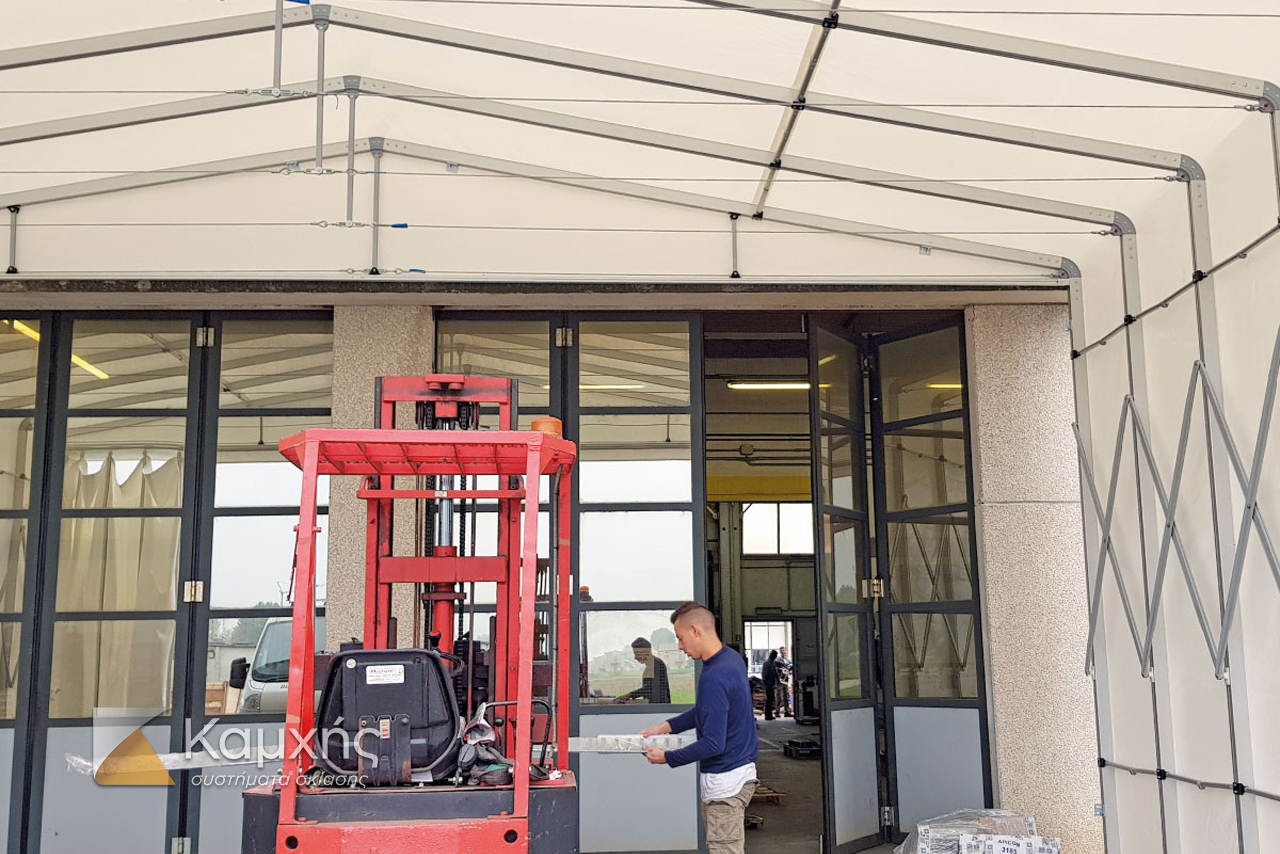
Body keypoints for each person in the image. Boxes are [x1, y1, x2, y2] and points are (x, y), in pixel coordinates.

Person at [639, 603, 759, 854]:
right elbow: (707, 710)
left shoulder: (715, 676)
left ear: (695, 630)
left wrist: (667, 758)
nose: (680, 647)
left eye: (680, 638)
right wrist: (666, 727)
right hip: (739, 772)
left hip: (725, 785)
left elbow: (713, 744)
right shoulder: (730, 659)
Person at [619, 637, 671, 704]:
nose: (635, 657)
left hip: (658, 707)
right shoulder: (654, 664)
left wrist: (630, 695)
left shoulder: (657, 664)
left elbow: (650, 688)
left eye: (637, 654)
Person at [762, 649, 780, 721]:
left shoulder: (773, 663)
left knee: (771, 699)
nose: (775, 657)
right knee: (769, 700)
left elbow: (775, 673)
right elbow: (764, 674)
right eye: (775, 656)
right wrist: (765, 683)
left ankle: (769, 714)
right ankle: (767, 715)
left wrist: (777, 680)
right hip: (768, 684)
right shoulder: (767, 663)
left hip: (771, 684)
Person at [777, 646, 794, 717]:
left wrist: (789, 671)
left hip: (786, 681)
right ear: (780, 652)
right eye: (782, 651)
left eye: (784, 650)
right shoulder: (778, 660)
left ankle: (787, 711)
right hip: (780, 681)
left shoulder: (788, 660)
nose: (783, 652)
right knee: (779, 696)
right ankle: (777, 712)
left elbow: (791, 668)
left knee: (786, 696)